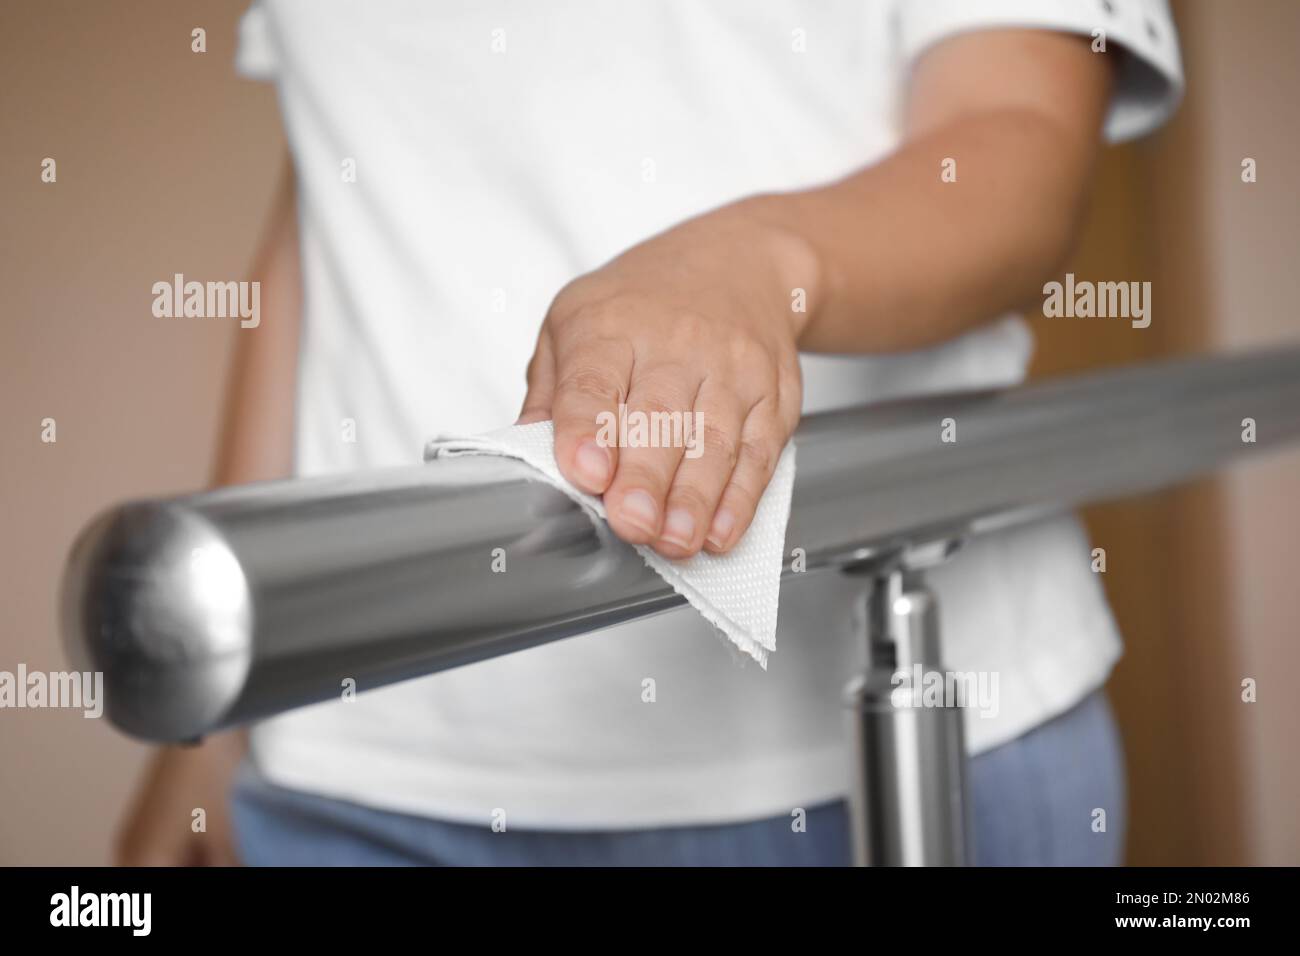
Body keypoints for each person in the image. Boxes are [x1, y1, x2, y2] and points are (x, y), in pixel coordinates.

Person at [116, 0, 1183, 866]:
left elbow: (1016, 141)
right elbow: (341, 206)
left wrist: (758, 262)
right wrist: (220, 707)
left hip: (872, 751)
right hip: (361, 771)